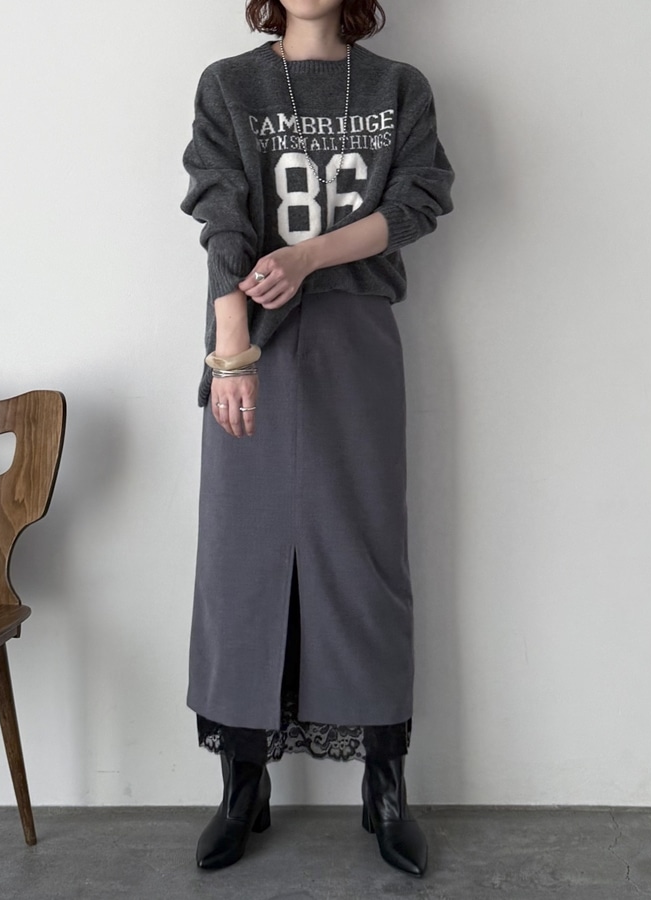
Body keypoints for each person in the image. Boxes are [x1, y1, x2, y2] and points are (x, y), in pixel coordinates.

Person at [180, 0, 454, 877]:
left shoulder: (397, 86)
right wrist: (231, 348)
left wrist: (306, 257)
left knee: (364, 556)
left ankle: (386, 786)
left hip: (354, 329)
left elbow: (417, 200)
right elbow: (223, 212)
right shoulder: (231, 84)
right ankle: (242, 785)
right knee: (243, 555)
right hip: (251, 332)